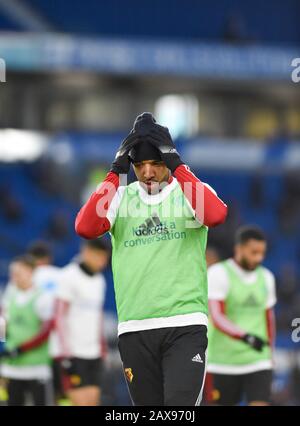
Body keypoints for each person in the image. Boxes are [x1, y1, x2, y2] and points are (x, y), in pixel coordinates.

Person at [75, 112, 227, 406]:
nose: (147, 173)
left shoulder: (191, 193)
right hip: (134, 329)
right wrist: (116, 171)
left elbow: (216, 215)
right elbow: (85, 227)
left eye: (156, 164)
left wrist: (178, 165)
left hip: (184, 326)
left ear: (167, 161)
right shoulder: (120, 197)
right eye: (139, 165)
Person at [206, 226, 276, 406]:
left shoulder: (267, 277)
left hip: (257, 361)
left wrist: (270, 352)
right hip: (222, 362)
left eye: (262, 253)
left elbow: (268, 317)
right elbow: (217, 316)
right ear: (239, 249)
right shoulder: (219, 273)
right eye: (253, 252)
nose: (258, 258)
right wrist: (247, 337)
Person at [55, 239, 109, 406]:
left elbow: (98, 315)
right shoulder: (68, 276)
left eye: (105, 258)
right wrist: (66, 353)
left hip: (93, 353)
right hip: (73, 353)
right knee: (79, 402)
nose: (103, 262)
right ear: (86, 252)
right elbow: (58, 317)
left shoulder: (100, 280)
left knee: (93, 401)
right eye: (99, 257)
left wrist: (102, 345)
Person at [0, 255, 53, 406]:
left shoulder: (42, 297)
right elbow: (4, 323)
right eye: (13, 274)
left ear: (30, 272)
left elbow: (46, 331)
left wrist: (21, 349)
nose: (14, 277)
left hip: (36, 369)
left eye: (18, 273)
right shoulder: (10, 295)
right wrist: (2, 345)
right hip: (12, 368)